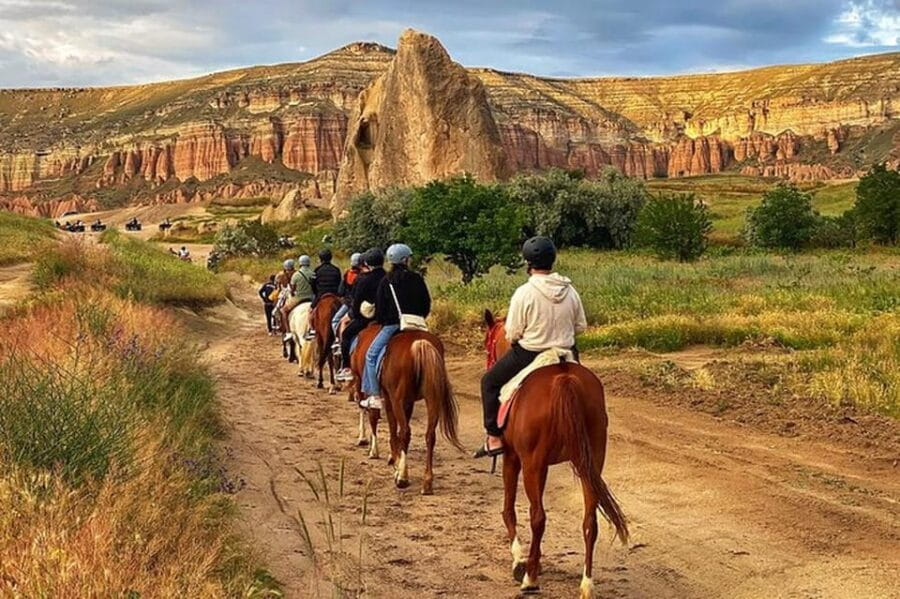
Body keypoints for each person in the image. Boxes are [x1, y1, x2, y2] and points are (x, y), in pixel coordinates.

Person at [474, 236, 587, 459]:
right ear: (552, 260)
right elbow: (580, 326)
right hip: (566, 353)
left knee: (489, 382)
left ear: (528, 264)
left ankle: (494, 437)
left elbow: (512, 332)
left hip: (530, 354)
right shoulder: (570, 290)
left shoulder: (524, 293)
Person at [359, 243, 431, 410]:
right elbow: (426, 304)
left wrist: (385, 321)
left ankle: (375, 395)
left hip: (393, 325)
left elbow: (381, 309)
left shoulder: (387, 281)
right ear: (405, 260)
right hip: (417, 324)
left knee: (371, 355)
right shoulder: (417, 278)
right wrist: (419, 317)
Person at [335, 248, 385, 382]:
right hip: (385, 318)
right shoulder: (388, 277)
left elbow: (355, 303)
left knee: (345, 335)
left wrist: (352, 316)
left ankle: (346, 367)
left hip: (365, 318)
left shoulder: (362, 279)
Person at [307, 248, 343, 338]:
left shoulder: (317, 270)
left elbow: (313, 285)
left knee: (310, 312)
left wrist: (316, 295)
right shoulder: (336, 270)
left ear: (320, 259)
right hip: (335, 296)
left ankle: (312, 330)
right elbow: (339, 283)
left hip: (321, 295)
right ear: (330, 258)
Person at [281, 255, 315, 338]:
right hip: (312, 298)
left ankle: (288, 332)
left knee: (283, 311)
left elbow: (292, 290)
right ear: (309, 263)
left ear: (300, 264)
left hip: (299, 298)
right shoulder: (313, 273)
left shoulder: (296, 275)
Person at [332, 252, 362, 339]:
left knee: (335, 320)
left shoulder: (347, 273)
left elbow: (340, 291)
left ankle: (337, 340)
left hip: (348, 303)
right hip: (361, 304)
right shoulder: (363, 275)